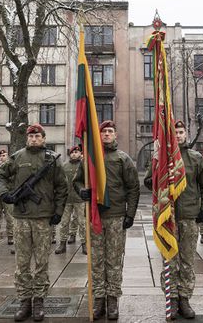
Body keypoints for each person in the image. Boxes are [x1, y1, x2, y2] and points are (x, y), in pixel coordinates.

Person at [0, 123, 67, 322]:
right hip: (21, 218)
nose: (34, 139)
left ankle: (39, 301)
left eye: (38, 136)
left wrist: (58, 212)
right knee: (22, 262)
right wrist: (5, 193)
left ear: (44, 138)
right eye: (31, 136)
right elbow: (0, 175)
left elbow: (62, 188)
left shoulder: (52, 159)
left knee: (42, 261)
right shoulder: (18, 157)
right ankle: (24, 300)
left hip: (43, 218)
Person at [144, 121, 203, 319]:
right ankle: (171, 299)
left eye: (181, 132)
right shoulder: (160, 157)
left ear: (186, 134)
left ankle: (184, 298)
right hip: (169, 218)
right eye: (175, 132)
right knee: (170, 259)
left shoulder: (196, 158)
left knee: (188, 260)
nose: (179, 135)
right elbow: (149, 181)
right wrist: (159, 177)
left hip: (189, 216)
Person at [75, 120, 140, 321]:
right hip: (95, 216)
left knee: (113, 261)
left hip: (116, 216)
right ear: (98, 135)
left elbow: (133, 188)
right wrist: (82, 192)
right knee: (96, 261)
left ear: (115, 135)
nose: (106, 135)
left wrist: (130, 215)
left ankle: (113, 299)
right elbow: (77, 181)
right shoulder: (90, 159)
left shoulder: (123, 159)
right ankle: (99, 299)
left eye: (110, 131)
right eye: (103, 132)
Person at [55, 145, 86, 255]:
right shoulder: (64, 166)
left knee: (82, 223)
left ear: (80, 154)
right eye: (72, 153)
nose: (74, 154)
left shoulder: (83, 165)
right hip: (67, 199)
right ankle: (62, 243)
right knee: (64, 222)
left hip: (80, 199)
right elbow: (60, 182)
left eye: (76, 152)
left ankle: (84, 243)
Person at [0, 148, 15, 248]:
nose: (2, 157)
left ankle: (10, 236)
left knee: (9, 217)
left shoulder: (10, 167)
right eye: (0, 156)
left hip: (8, 194)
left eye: (4, 155)